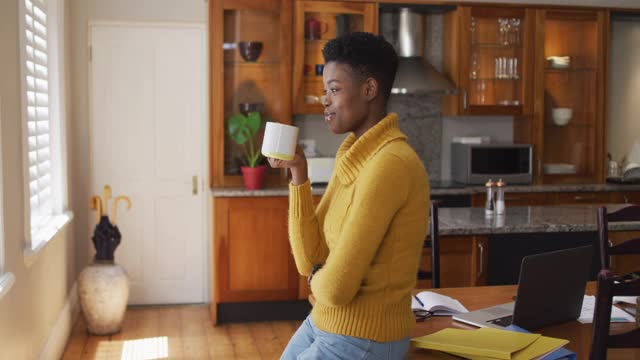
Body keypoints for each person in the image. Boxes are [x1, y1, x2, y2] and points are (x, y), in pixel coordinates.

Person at [269, 32, 430, 360]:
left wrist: (319, 276)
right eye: (324, 90)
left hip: (365, 335)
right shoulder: (352, 155)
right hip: (325, 321)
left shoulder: (391, 163)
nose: (324, 100)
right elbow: (308, 259)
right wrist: (298, 172)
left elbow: (337, 288)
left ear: (369, 90)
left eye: (334, 89)